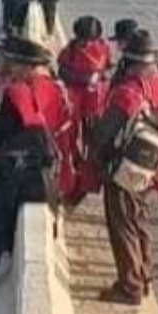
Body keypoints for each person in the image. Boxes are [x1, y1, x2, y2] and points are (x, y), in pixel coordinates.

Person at [0, 37, 67, 298]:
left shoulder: (17, 92)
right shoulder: (56, 89)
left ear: (24, 66)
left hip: (16, 169)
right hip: (46, 167)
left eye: (13, 63)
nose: (8, 67)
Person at [89, 30, 158, 306]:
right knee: (139, 221)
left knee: (123, 224)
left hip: (124, 168)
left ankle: (130, 285)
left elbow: (104, 134)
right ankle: (144, 273)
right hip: (153, 165)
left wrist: (96, 156)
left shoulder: (128, 92)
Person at [58, 16, 113, 203]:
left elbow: (108, 70)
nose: (86, 43)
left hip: (95, 103)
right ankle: (73, 177)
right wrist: (82, 79)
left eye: (89, 39)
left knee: (94, 143)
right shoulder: (71, 50)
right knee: (71, 141)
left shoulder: (103, 47)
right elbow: (62, 71)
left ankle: (87, 180)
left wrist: (100, 77)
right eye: (83, 39)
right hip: (75, 101)